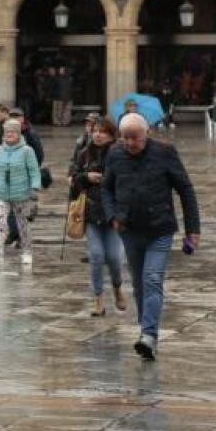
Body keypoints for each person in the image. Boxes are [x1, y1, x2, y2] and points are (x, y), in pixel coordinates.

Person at [103, 113, 200, 360]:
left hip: (160, 229)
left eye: (134, 138)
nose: (129, 143)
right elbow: (106, 189)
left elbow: (185, 189)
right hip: (129, 229)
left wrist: (193, 230)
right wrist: (112, 214)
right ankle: (148, 334)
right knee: (138, 284)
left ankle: (148, 335)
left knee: (152, 279)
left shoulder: (165, 152)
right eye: (125, 138)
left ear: (146, 133)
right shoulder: (114, 154)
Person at [70, 117, 126, 317]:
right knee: (96, 255)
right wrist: (86, 178)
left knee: (113, 257)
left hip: (113, 215)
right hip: (92, 214)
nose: (98, 134)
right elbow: (74, 181)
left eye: (102, 131)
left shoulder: (120, 154)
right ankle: (99, 299)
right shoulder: (85, 154)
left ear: (112, 134)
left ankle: (118, 288)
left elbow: (127, 180)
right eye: (95, 130)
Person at [0, 119, 41, 267]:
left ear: (18, 134)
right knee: (0, 222)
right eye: (7, 132)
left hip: (22, 194)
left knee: (23, 224)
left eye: (13, 132)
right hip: (1, 194)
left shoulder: (27, 151)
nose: (10, 134)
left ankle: (27, 252)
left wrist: (35, 188)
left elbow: (34, 171)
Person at [67, 112, 101, 180]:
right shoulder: (81, 140)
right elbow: (74, 159)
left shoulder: (99, 140)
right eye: (87, 124)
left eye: (92, 124)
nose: (89, 127)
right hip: (82, 173)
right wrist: (71, 174)